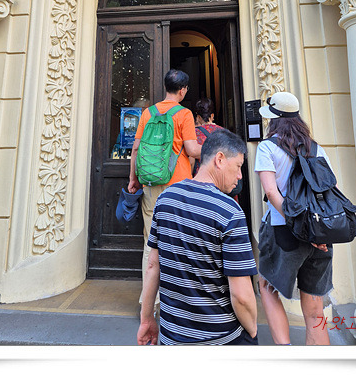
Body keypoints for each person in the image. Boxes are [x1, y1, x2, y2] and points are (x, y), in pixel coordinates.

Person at [137, 129, 258, 346]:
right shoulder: (230, 212)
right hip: (221, 340)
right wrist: (252, 330)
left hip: (171, 339)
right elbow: (241, 296)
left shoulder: (165, 199)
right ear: (219, 159)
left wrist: (146, 319)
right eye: (238, 166)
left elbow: (153, 266)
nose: (240, 176)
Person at [254, 91, 334, 346]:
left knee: (267, 286)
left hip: (283, 231)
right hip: (320, 234)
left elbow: (271, 192)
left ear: (273, 120)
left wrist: (297, 224)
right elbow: (330, 190)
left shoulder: (267, 147)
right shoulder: (317, 148)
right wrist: (313, 231)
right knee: (315, 306)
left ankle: (286, 352)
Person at [128, 69, 202, 306]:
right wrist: (215, 148)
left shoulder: (148, 113)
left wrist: (133, 179)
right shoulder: (184, 114)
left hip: (151, 184)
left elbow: (136, 148)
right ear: (183, 90)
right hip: (177, 186)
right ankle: (176, 299)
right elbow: (192, 150)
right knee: (178, 239)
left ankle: (149, 300)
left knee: (150, 241)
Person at [190, 97, 223, 177]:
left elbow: (191, 161)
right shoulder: (224, 132)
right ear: (212, 115)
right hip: (220, 176)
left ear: (198, 117)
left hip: (201, 176)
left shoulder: (193, 133)